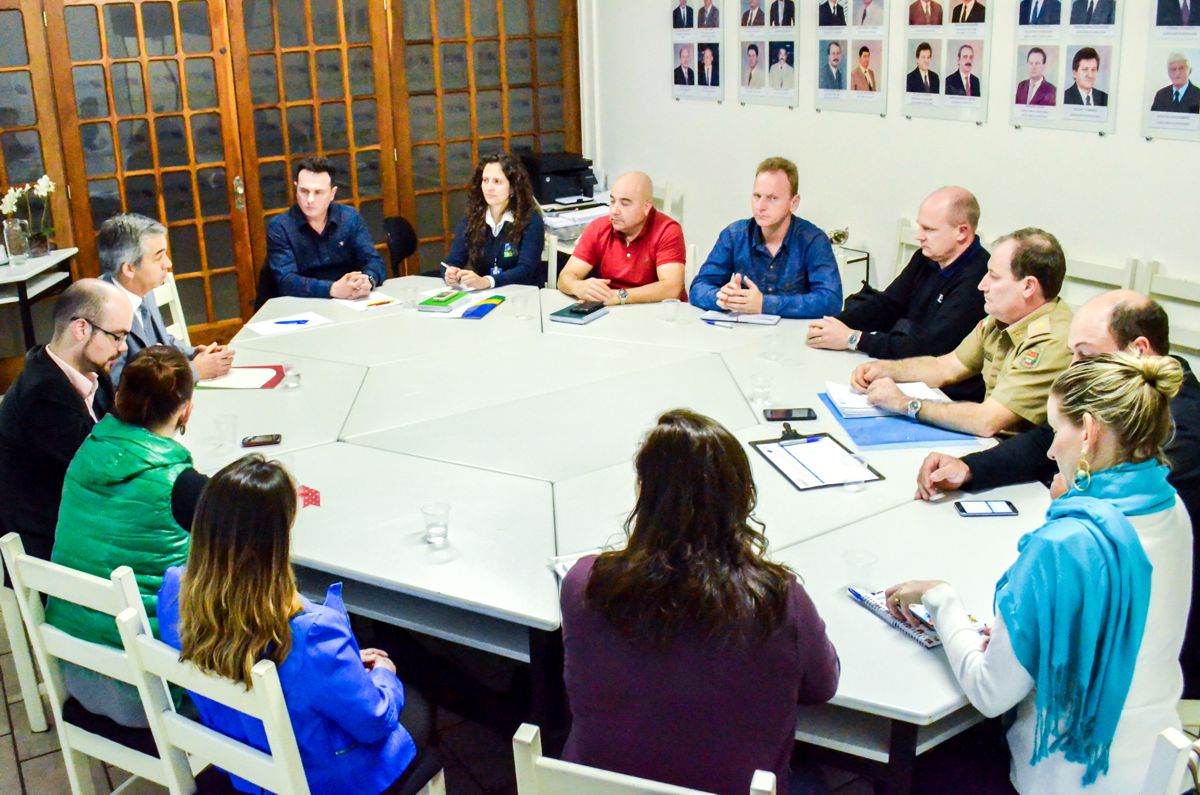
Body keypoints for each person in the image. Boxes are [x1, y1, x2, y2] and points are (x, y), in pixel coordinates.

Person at [890, 353, 1191, 794]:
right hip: (1155, 769)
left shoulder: (1065, 544)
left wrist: (941, 599)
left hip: (1066, 776)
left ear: (1088, 433)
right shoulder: (1170, 507)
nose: (1050, 451)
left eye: (1056, 430)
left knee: (923, 763)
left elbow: (990, 692)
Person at [915, 290, 1200, 700]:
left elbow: (993, 690)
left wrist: (941, 600)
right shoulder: (1139, 451)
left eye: (1085, 355)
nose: (1073, 367)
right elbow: (1046, 440)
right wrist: (971, 468)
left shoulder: (1179, 430)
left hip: (1130, 661)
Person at [561, 410, 839, 794]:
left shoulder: (584, 583)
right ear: (742, 499)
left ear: (643, 493)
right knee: (815, 775)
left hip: (594, 788)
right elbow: (821, 688)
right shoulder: (776, 600)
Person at [157, 456, 439, 795]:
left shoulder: (173, 594)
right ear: (277, 540)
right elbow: (374, 722)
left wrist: (340, 664)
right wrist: (383, 675)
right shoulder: (310, 633)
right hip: (319, 780)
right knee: (419, 704)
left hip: (243, 769)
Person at [45, 346, 208, 727]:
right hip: (153, 689)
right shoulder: (181, 486)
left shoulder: (86, 453)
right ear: (186, 410)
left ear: (120, 397)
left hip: (77, 668)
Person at [851, 227, 1072, 437]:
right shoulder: (1002, 317)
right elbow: (946, 367)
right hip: (992, 442)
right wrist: (884, 369)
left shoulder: (1051, 341)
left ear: (1028, 287)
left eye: (994, 277)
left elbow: (987, 421)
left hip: (1021, 455)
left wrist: (903, 403)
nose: (982, 285)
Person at [0, 280, 129, 568]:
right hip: (49, 548)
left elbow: (119, 440)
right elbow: (103, 472)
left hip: (85, 517)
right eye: (117, 337)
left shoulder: (93, 373)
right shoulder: (42, 396)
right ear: (81, 328)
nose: (123, 348)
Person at [808, 187, 989, 369]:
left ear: (962, 232)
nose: (919, 236)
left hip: (939, 375)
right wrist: (835, 324)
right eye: (920, 226)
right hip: (906, 359)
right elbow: (888, 305)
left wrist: (853, 339)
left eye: (929, 229)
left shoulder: (979, 278)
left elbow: (932, 346)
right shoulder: (926, 258)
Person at [691, 157, 842, 319]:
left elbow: (831, 300)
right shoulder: (735, 235)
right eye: (757, 196)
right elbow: (699, 287)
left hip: (795, 332)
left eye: (772, 198)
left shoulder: (813, 240)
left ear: (793, 203)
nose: (760, 206)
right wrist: (723, 297)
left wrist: (764, 304)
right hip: (742, 331)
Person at [98, 213, 233, 385]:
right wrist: (193, 371)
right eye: (159, 257)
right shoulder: (102, 312)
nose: (168, 264)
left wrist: (193, 354)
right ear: (129, 269)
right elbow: (118, 387)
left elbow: (160, 341)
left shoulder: (142, 287)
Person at [265, 155, 386, 300]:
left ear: (332, 193)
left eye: (318, 192)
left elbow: (373, 260)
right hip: (302, 303)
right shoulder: (280, 227)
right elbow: (286, 281)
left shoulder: (349, 217)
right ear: (296, 189)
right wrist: (332, 289)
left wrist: (368, 280)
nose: (310, 200)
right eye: (304, 191)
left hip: (350, 300)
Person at [556, 172, 685, 306]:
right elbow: (565, 277)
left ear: (646, 207)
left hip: (654, 310)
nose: (614, 211)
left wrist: (619, 296)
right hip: (611, 308)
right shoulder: (599, 227)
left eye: (625, 204)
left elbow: (671, 288)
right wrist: (577, 286)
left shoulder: (667, 230)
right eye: (612, 201)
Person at [441, 152, 545, 289]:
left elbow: (525, 270)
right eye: (485, 180)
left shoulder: (532, 221)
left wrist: (487, 281)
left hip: (524, 295)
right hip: (487, 295)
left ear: (513, 188)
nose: (489, 188)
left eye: (497, 181)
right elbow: (452, 261)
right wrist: (449, 274)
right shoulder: (472, 219)